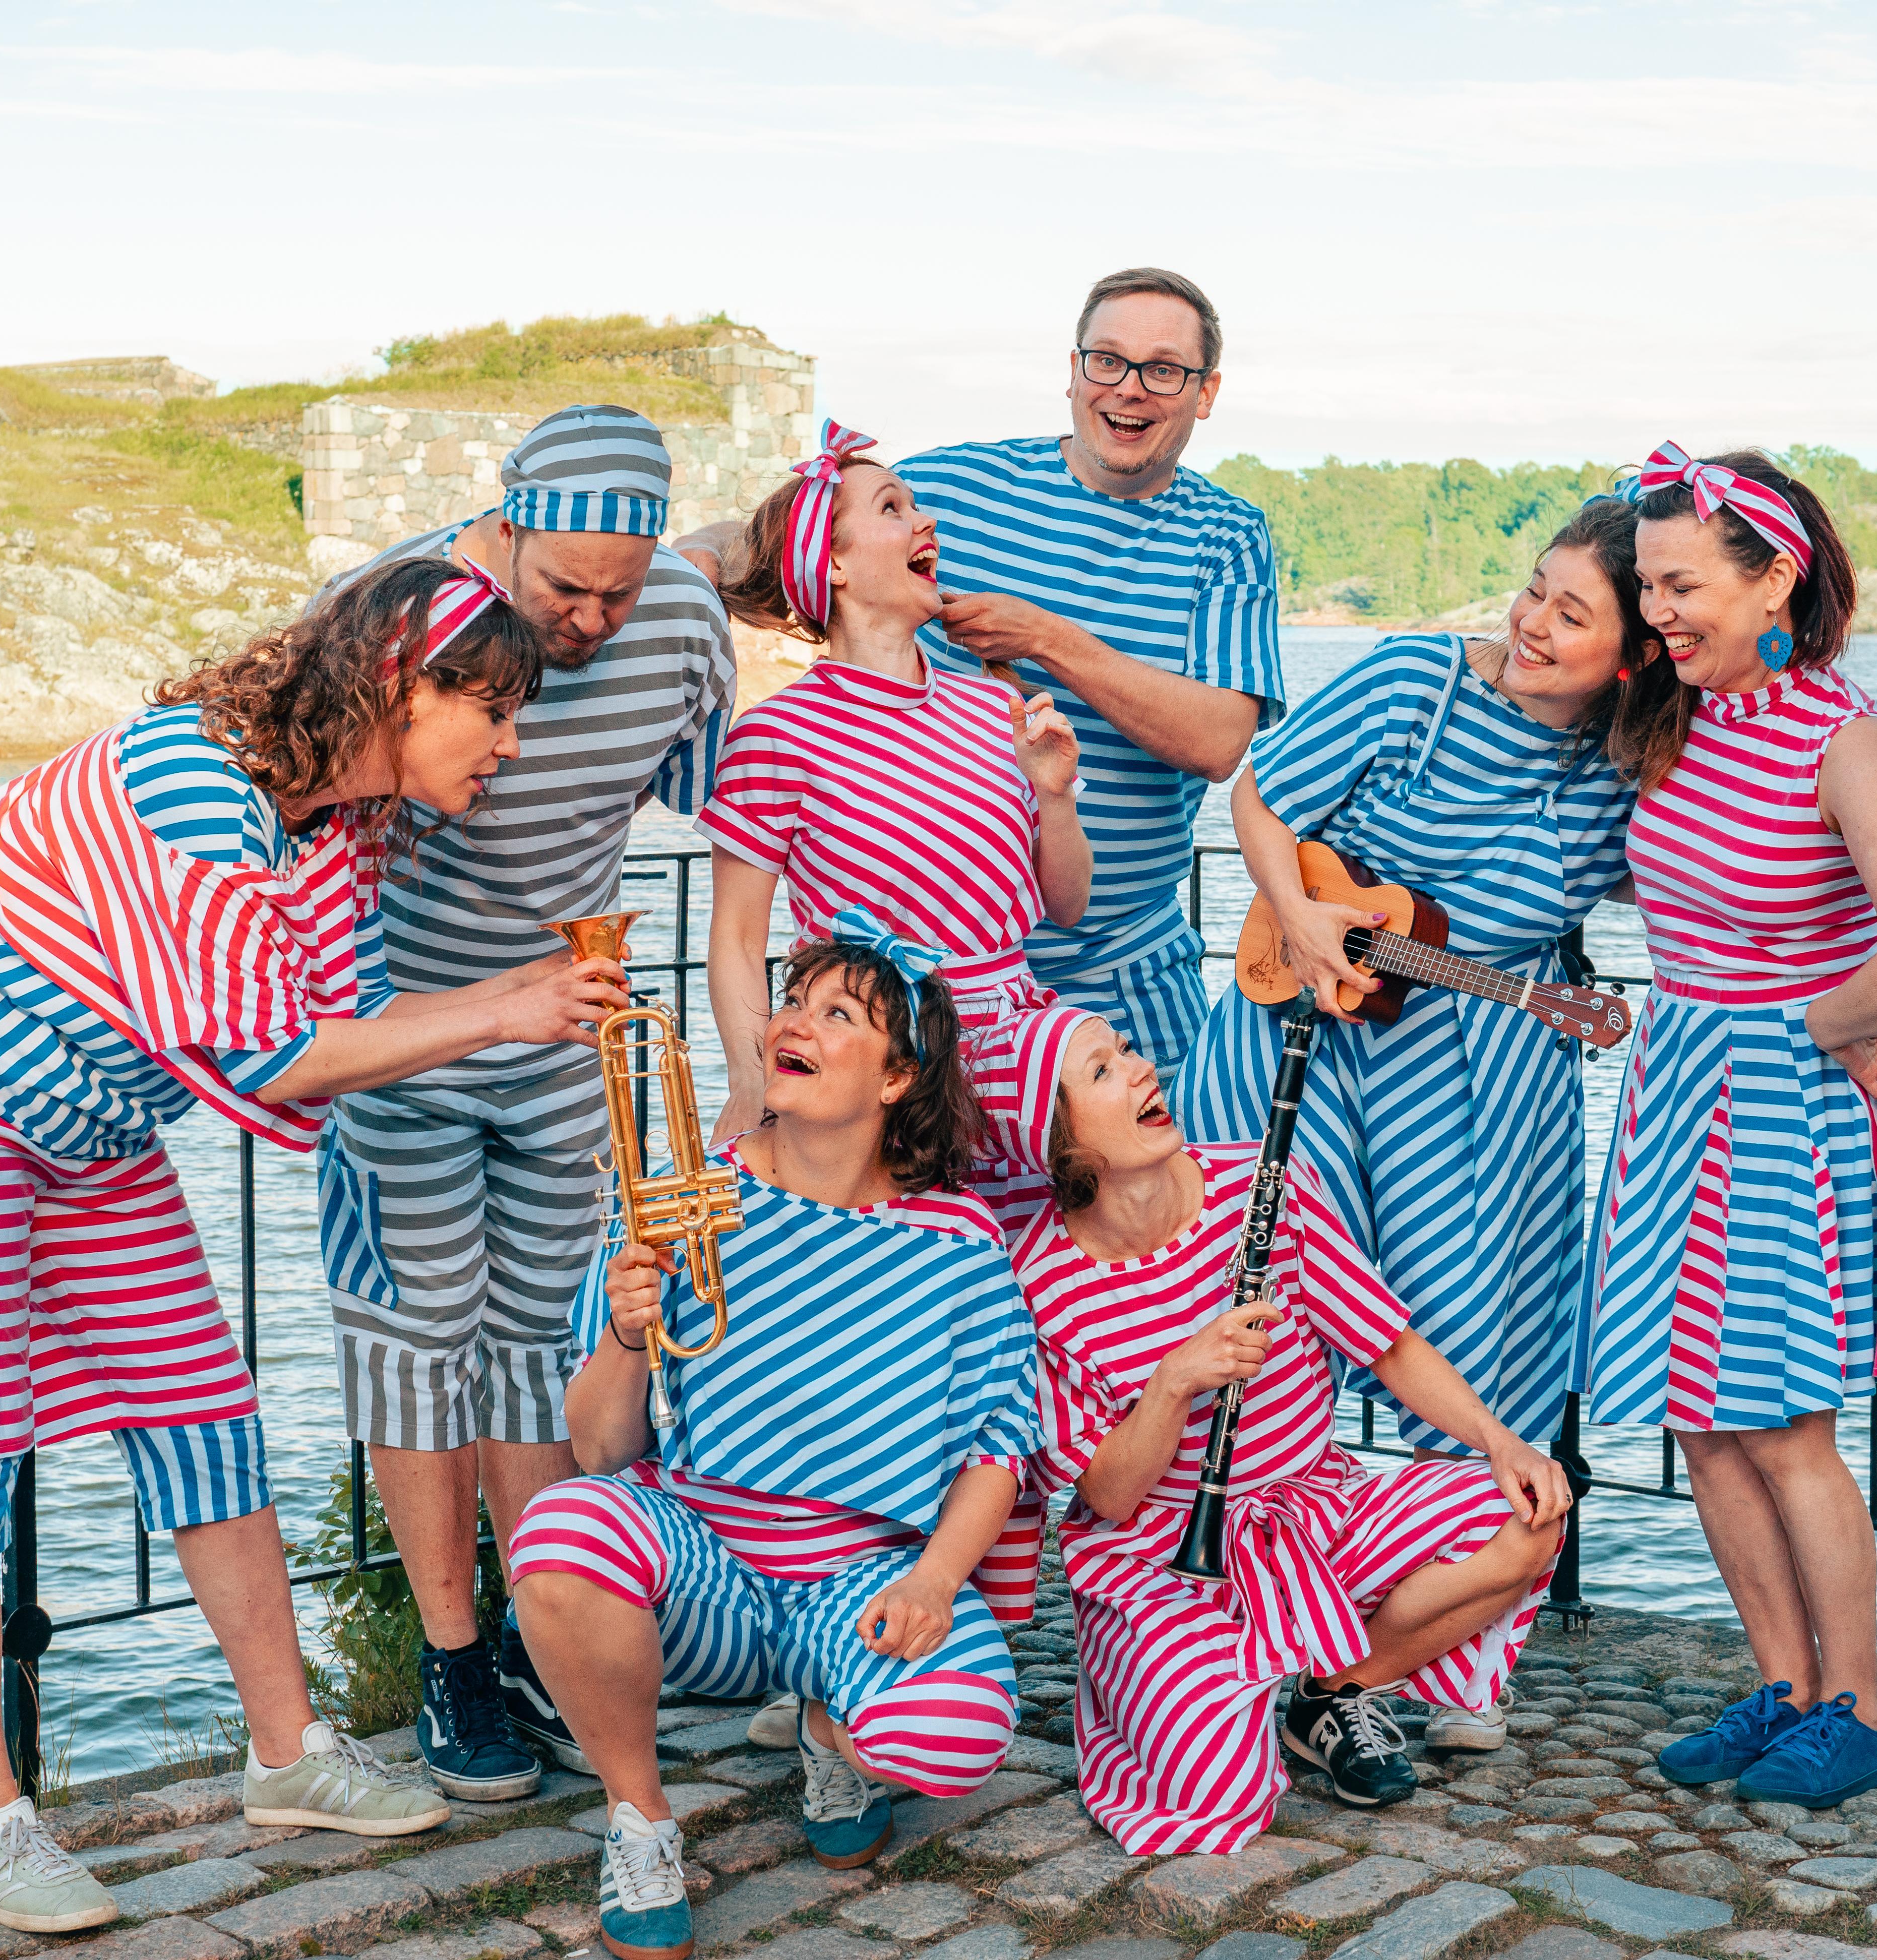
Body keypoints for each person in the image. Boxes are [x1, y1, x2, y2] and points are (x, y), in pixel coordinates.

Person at [0, 562, 628, 1932]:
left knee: (199, 1407)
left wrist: (514, 994)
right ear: (396, 687)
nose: (509, 743)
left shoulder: (340, 824)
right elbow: (274, 1058)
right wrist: (503, 1012)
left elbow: (345, 1024)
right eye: (490, 709)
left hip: (86, 1110)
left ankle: (289, 1753)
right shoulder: (198, 789)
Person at [1177, 500, 1677, 1747]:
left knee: (1481, 1337)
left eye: (1573, 613)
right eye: (1536, 587)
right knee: (1260, 1318)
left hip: (1494, 1054)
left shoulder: (1635, 768)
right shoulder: (1414, 682)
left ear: (1633, 655)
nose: (1533, 621)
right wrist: (1300, 918)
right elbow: (1260, 800)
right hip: (1305, 1027)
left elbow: (1739, 885)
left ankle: (1457, 1656)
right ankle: (1217, 1612)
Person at [1581, 443, 1877, 1808]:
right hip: (1682, 1086)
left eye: (1684, 586)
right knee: (1700, 1421)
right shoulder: (1679, 716)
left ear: (1777, 579)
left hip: (1793, 1107)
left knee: (1778, 1427)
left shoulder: (1847, 738)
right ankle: (1785, 1689)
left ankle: (1859, 1712)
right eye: (1649, 586)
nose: (1658, 611)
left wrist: (1826, 1023)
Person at [312, 405, 736, 1798]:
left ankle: (545, 1645)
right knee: (417, 1341)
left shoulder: (679, 621)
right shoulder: (396, 612)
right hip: (400, 1038)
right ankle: (452, 1663)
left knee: (542, 1349)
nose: (591, 622)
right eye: (564, 590)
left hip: (569, 1040)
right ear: (503, 526)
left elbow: (732, 803)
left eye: (620, 592)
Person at [504, 932, 1038, 1960]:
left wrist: (934, 1581)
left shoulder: (959, 1242)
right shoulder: (684, 1196)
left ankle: (834, 1731)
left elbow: (998, 1446)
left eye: (839, 1014)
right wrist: (625, 1334)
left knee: (958, 1733)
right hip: (706, 1568)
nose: (794, 1022)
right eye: (794, 1001)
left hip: (859, 1582)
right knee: (561, 1536)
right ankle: (640, 1821)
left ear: (896, 1079)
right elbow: (601, 1449)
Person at [992, 1004, 1569, 1855]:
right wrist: (1176, 1381)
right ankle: (1167, 1680)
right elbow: (1109, 1495)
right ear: (1057, 1138)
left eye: (1128, 1047)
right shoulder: (1039, 1282)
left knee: (1526, 1519)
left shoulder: (1261, 1184)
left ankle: (1328, 1692)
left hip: (1309, 1508)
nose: (1142, 1067)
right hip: (1159, 1556)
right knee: (1219, 1798)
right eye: (1103, 1070)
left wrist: (1500, 1442)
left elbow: (1389, 1345)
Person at [680, 269, 1282, 1074]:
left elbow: (1219, 742)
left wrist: (1047, 640)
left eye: (1164, 370)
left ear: (1205, 393)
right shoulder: (950, 488)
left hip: (1128, 974)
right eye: (1107, 360)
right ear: (1074, 371)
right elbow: (801, 527)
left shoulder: (1228, 535)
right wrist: (687, 569)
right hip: (917, 1008)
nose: (1130, 388)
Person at [697, 418, 1089, 1143]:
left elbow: (1068, 906)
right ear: (833, 564)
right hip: (872, 1075)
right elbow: (738, 938)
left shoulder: (995, 708)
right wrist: (755, 1086)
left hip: (1015, 1067)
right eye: (891, 508)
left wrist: (1055, 796)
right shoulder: (775, 734)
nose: (924, 520)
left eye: (914, 505)